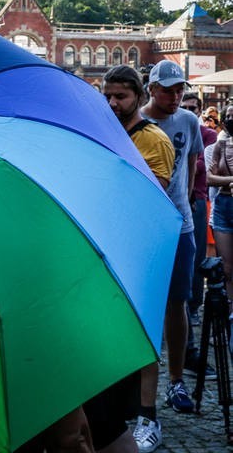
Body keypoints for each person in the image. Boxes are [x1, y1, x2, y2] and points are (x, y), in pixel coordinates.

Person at [97, 65, 174, 453]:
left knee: (143, 333)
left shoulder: (153, 139)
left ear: (139, 97)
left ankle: (147, 416)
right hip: (105, 243)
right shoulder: (102, 130)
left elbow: (152, 198)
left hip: (140, 245)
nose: (112, 103)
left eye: (121, 96)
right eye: (108, 95)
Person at [135, 60, 203, 451]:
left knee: (178, 304)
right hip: (144, 226)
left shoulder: (189, 122)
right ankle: (141, 390)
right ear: (152, 89)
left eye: (180, 90)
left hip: (180, 226)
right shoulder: (137, 122)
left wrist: (192, 208)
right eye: (168, 90)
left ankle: (175, 381)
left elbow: (192, 169)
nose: (175, 96)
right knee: (145, 306)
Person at [179, 93, 217, 378]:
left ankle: (193, 306)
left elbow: (203, 166)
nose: (188, 110)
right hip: (182, 199)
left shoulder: (206, 134)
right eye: (185, 107)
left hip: (197, 199)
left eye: (193, 108)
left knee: (196, 260)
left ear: (199, 111)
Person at [207, 103, 233, 306]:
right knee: (227, 268)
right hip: (223, 205)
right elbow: (209, 177)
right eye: (230, 116)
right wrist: (229, 182)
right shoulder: (220, 146)